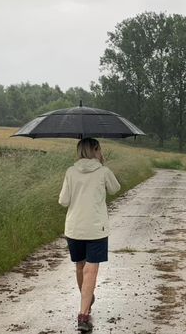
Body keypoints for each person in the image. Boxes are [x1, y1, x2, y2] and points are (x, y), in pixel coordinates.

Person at [58, 137, 120, 332]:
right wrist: (103, 165)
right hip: (96, 229)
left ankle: (86, 300)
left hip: (74, 228)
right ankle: (84, 314)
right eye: (99, 149)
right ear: (95, 149)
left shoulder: (70, 171)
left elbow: (63, 201)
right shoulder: (103, 172)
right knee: (90, 271)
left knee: (80, 267)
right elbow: (115, 188)